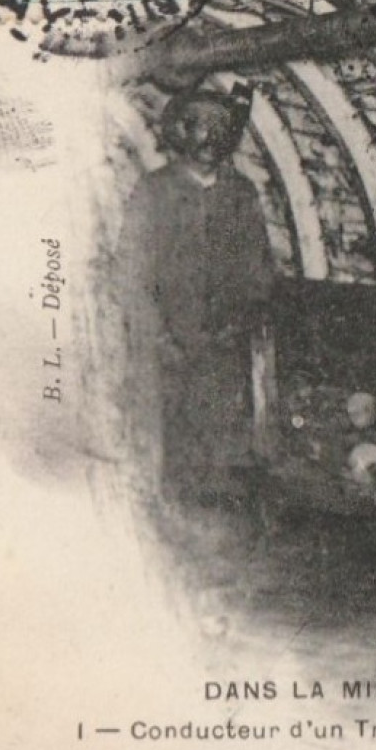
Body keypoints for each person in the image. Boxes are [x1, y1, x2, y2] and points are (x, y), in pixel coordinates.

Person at [121, 85, 276, 567]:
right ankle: (169, 550)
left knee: (226, 448)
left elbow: (259, 271)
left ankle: (220, 552)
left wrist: (241, 321)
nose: (211, 137)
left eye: (221, 127)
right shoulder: (155, 192)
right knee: (173, 446)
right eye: (199, 125)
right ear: (179, 132)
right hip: (168, 348)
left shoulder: (240, 193)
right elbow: (132, 275)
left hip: (224, 348)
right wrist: (159, 337)